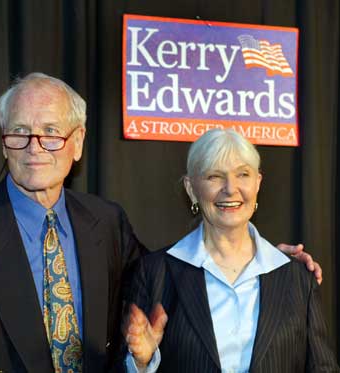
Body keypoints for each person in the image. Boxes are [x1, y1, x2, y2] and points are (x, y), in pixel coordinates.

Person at [0, 74, 321, 373]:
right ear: (4, 142)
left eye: (51, 132)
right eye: (19, 131)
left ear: (76, 144)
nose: (34, 147)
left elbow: (169, 276)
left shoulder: (105, 222)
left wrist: (254, 257)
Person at [123, 129, 338, 372]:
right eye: (214, 176)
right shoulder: (154, 273)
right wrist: (141, 363)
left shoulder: (298, 278)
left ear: (257, 183)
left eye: (243, 174)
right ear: (191, 188)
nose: (230, 188)